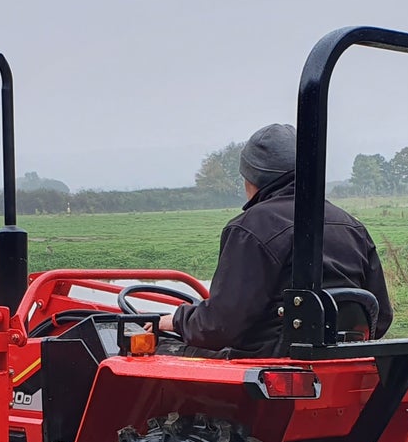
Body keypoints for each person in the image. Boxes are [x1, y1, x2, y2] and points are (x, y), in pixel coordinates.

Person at [161, 122, 394, 355]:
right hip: (340, 362)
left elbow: (218, 327)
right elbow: (380, 317)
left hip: (270, 367)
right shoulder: (351, 226)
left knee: (159, 349)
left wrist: (177, 320)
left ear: (252, 179)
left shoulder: (249, 229)